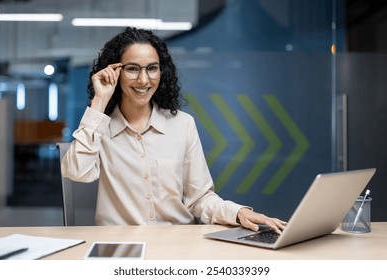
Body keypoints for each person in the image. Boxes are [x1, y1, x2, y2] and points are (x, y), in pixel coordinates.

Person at [61, 27, 286, 233]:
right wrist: (99, 101)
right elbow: (77, 172)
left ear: (162, 71)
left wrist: (238, 212)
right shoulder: (100, 128)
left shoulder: (183, 124)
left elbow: (199, 199)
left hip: (180, 244)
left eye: (152, 69)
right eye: (132, 69)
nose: (143, 79)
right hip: (121, 247)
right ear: (115, 72)